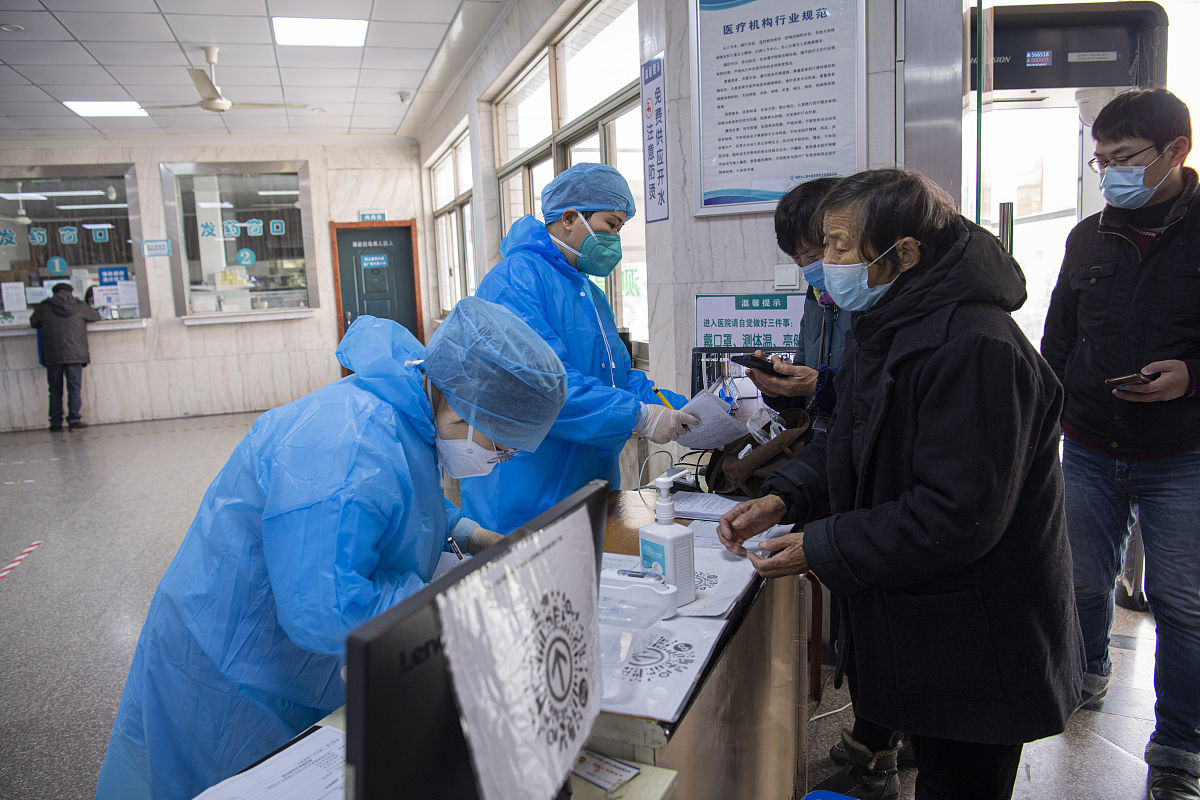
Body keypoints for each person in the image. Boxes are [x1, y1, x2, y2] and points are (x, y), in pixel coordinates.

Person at [94, 297, 568, 800]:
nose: (499, 459)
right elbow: (326, 608)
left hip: (288, 659)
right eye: (501, 446)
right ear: (463, 406)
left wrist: (473, 535)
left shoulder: (410, 410)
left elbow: (403, 502)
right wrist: (455, 606)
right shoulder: (350, 446)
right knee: (220, 780)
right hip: (227, 662)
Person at [717, 168, 1084, 800]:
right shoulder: (890, 322)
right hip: (925, 616)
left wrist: (818, 545)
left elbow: (956, 514)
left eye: (838, 247)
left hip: (981, 633)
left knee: (959, 782)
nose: (828, 264)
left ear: (904, 253)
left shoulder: (977, 347)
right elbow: (850, 440)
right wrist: (786, 496)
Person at [1041, 87, 1200, 800]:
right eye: (1101, 160)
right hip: (1090, 444)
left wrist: (1191, 377)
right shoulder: (1088, 237)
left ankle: (1178, 748)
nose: (1110, 173)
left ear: (1176, 151)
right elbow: (1058, 338)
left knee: (1182, 602)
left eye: (1125, 158)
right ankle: (1087, 671)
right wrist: (1047, 418)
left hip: (1183, 453)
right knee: (1080, 579)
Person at [466, 162, 696, 534]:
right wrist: (639, 416)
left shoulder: (588, 292)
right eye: (611, 224)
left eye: (620, 228)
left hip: (587, 484)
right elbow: (541, 386)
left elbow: (617, 377)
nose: (616, 239)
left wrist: (684, 409)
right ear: (570, 218)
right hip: (527, 494)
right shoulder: (514, 281)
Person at [743, 177, 851, 433]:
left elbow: (878, 391)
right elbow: (805, 381)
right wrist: (778, 388)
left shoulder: (866, 294)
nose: (806, 266)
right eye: (796, 258)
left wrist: (819, 384)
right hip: (818, 435)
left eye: (813, 255)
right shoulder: (816, 295)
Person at [29, 282, 100, 431]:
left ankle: (56, 423)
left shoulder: (44, 307)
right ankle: (74, 420)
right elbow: (96, 315)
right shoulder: (79, 306)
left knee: (55, 390)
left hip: (53, 354)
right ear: (71, 292)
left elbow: (33, 322)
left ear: (54, 293)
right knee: (74, 388)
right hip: (75, 354)